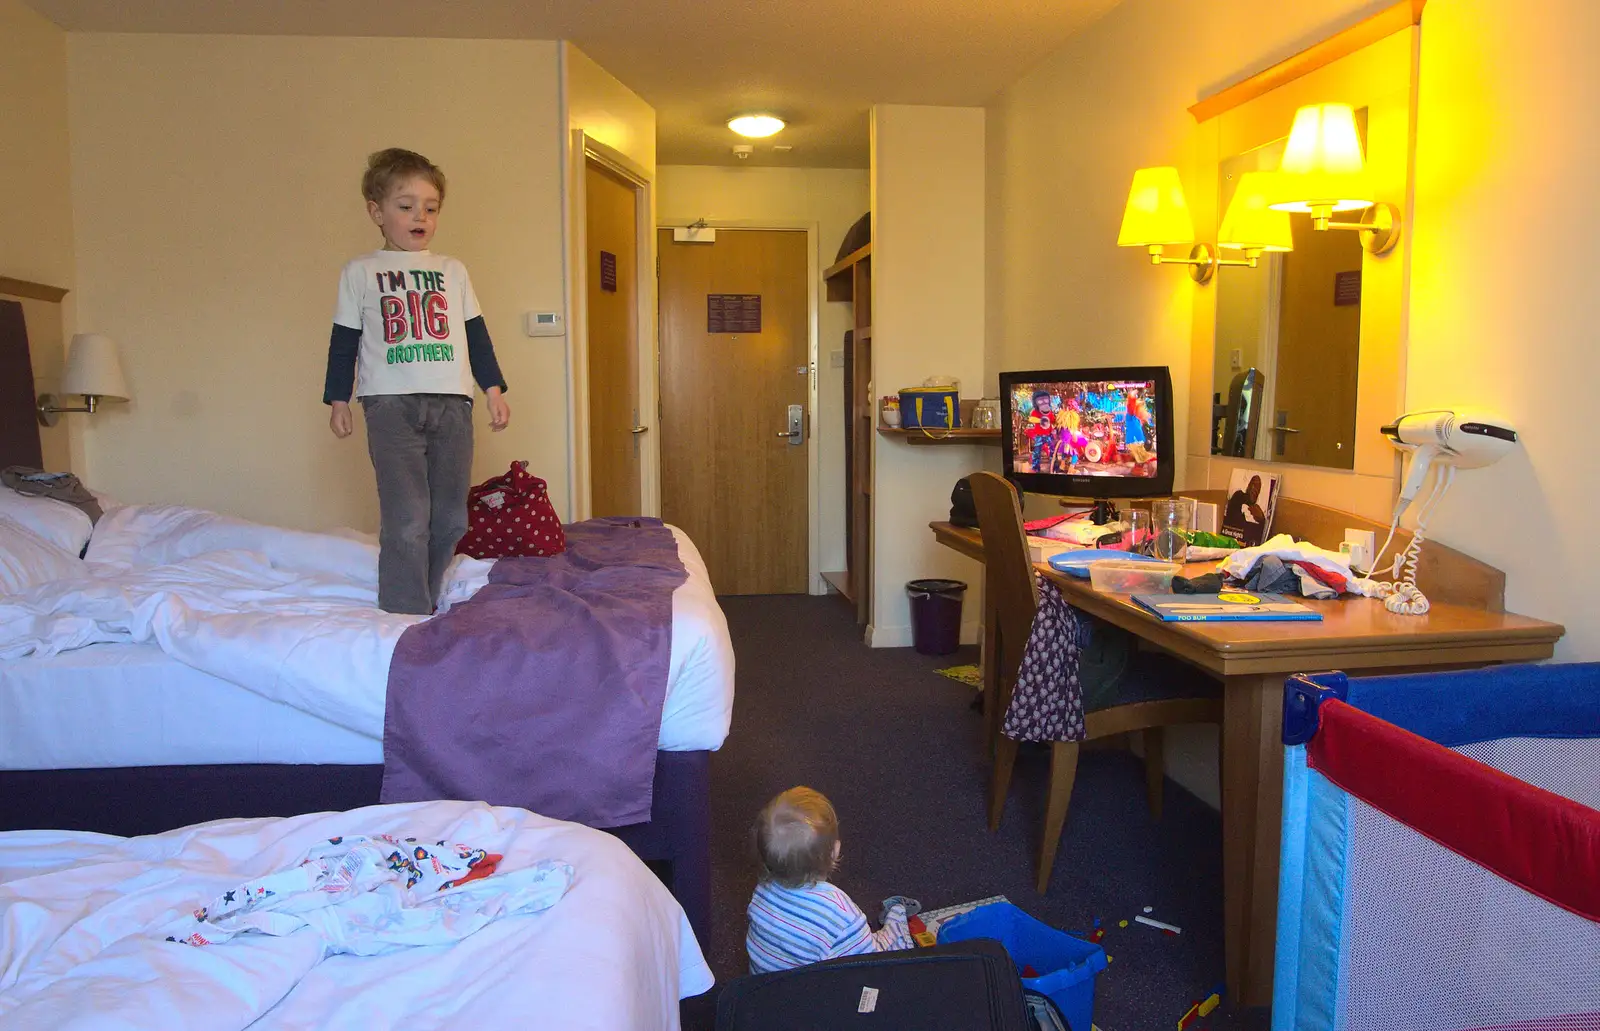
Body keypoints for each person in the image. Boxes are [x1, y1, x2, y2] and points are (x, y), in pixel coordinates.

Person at [323, 148, 511, 615]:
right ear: (377, 212)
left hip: (452, 404)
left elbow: (476, 335)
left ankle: (426, 597)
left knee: (449, 518)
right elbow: (343, 341)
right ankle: (405, 614)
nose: (419, 216)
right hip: (390, 406)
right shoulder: (360, 272)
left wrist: (493, 390)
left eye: (430, 207)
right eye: (406, 206)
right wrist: (338, 399)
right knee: (408, 518)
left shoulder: (453, 270)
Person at [746, 787, 916, 973]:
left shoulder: (763, 888)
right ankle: (897, 915)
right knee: (888, 949)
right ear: (834, 852)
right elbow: (866, 962)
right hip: (809, 994)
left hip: (763, 985)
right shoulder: (839, 911)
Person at [1225, 474, 1270, 546]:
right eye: (1254, 485)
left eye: (1258, 489)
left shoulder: (1258, 512)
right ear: (1248, 486)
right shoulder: (1238, 497)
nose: (1256, 491)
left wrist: (1262, 521)